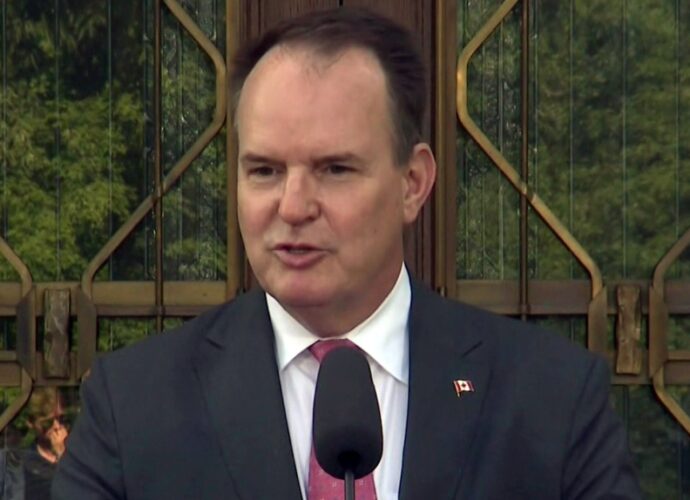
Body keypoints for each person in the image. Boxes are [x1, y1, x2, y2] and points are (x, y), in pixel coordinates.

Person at [53, 7, 641, 499]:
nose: (292, 207)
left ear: (413, 183)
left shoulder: (552, 400)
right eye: (264, 171)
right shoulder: (132, 407)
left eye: (334, 169)